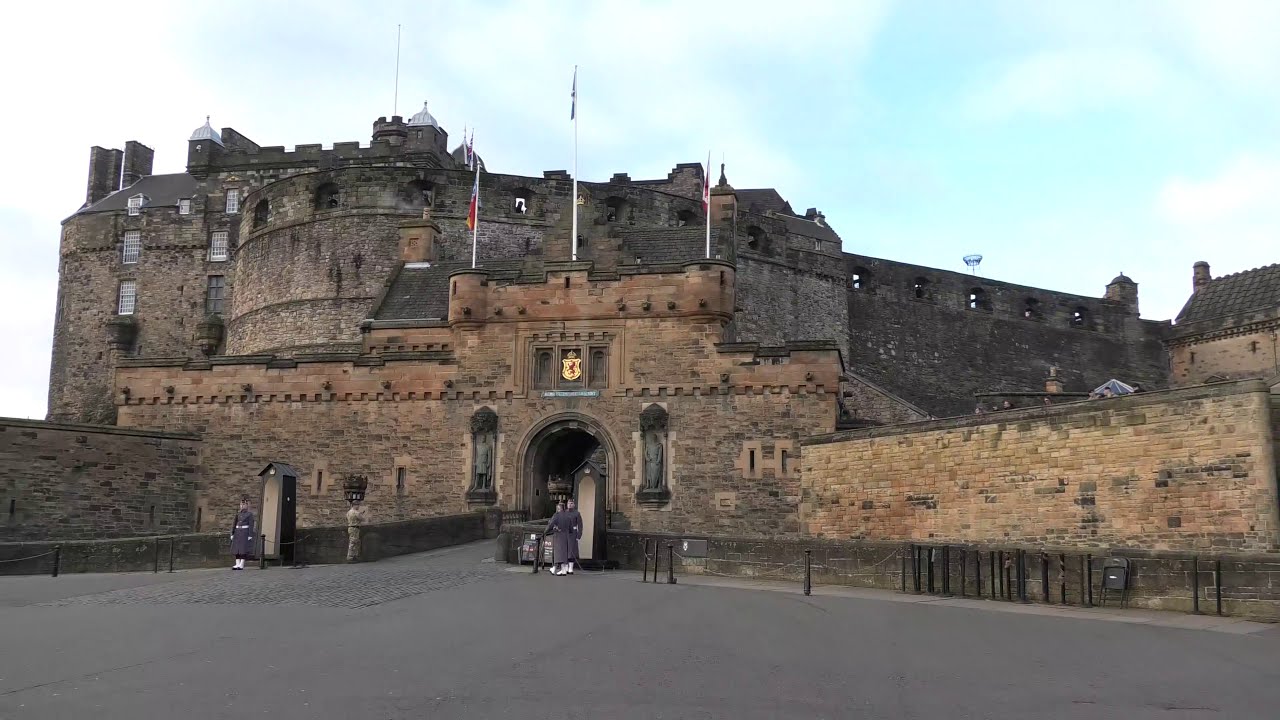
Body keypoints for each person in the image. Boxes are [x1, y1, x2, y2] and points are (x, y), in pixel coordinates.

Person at [544, 501, 573, 576]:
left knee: (558, 553)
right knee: (564, 553)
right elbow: (571, 529)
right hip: (566, 536)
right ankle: (562, 571)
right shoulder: (568, 516)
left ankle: (555, 569)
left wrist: (545, 532)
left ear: (559, 508)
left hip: (558, 536)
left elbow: (550, 525)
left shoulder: (556, 515)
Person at [229, 496, 255, 570]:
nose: (242, 506)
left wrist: (250, 535)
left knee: (243, 549)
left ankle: (242, 564)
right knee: (236, 549)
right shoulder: (238, 514)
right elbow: (234, 524)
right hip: (237, 532)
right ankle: (237, 564)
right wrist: (232, 533)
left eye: (243, 505)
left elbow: (251, 525)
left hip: (244, 532)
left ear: (246, 505)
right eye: (241, 505)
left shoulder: (249, 514)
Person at [564, 499, 584, 574]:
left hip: (573, 534)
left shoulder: (577, 513)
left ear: (574, 505)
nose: (570, 504)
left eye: (571, 503)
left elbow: (580, 525)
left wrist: (579, 535)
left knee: (572, 551)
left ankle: (570, 568)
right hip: (565, 533)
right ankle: (565, 567)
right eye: (568, 503)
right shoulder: (564, 513)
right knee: (565, 550)